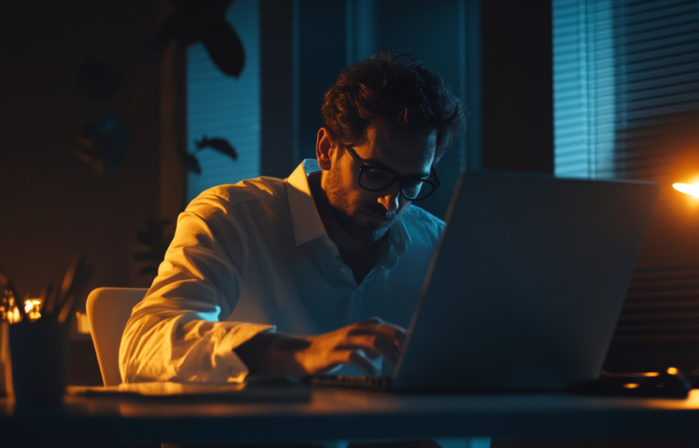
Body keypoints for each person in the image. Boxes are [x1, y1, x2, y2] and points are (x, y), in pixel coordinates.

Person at [120, 50, 466, 384]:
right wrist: (297, 354)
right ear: (327, 149)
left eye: (412, 182)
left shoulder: (438, 245)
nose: (391, 202)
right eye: (374, 173)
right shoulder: (232, 219)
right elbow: (144, 344)